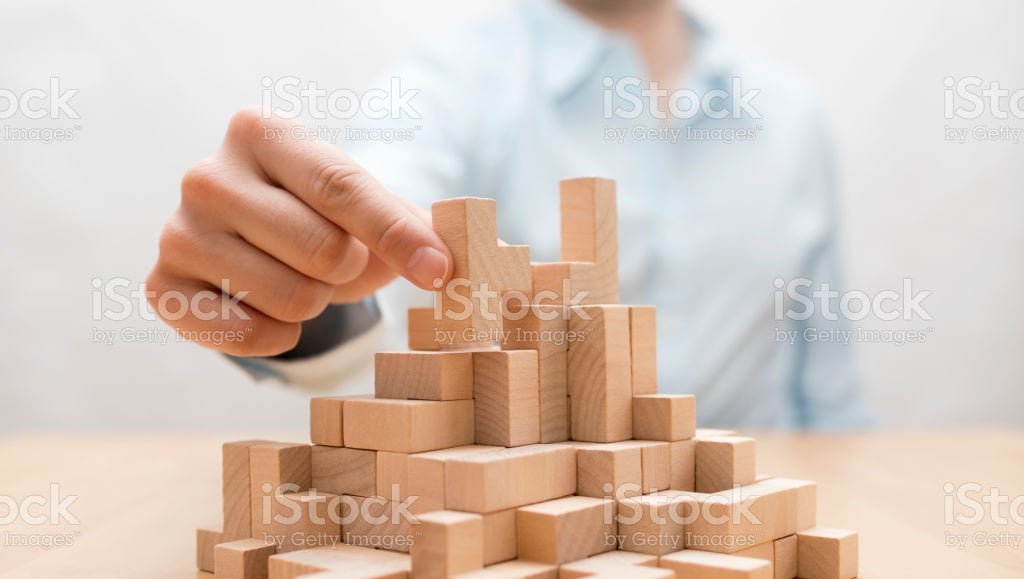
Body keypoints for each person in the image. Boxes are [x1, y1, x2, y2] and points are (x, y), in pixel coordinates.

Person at [146, 0, 868, 429]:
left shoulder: (794, 118)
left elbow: (830, 399)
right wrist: (292, 280)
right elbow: (372, 285)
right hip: (538, 566)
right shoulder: (446, 88)